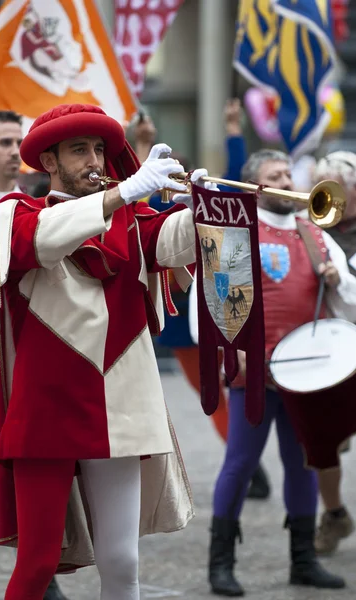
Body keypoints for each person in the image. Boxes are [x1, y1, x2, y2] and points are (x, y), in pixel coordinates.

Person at [0, 103, 214, 600]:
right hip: (47, 410)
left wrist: (204, 207)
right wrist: (127, 191)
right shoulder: (15, 214)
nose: (94, 161)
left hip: (120, 406)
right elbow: (41, 241)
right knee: (39, 560)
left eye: (100, 150)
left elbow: (180, 244)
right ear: (49, 163)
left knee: (122, 561)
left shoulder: (131, 219)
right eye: (79, 150)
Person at [189, 149, 356, 596]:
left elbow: (350, 305)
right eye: (274, 174)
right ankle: (220, 564)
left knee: (302, 465)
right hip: (254, 373)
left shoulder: (315, 233)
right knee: (240, 464)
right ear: (255, 186)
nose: (286, 179)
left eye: (288, 172)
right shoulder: (235, 229)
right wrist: (229, 349)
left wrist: (339, 283)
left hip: (305, 375)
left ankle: (303, 561)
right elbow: (209, 300)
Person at [0, 111, 69, 600]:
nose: (12, 149)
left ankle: (42, 572)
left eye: (19, 141)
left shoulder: (40, 208)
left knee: (38, 467)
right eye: (3, 141)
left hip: (34, 358)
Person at [311, 151, 356, 555]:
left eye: (334, 186)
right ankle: (335, 514)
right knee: (325, 444)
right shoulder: (309, 228)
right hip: (330, 351)